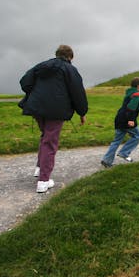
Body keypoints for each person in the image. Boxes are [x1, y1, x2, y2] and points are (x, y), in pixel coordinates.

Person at [20, 45, 88, 194]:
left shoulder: (41, 66)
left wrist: (37, 93)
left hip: (37, 107)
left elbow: (24, 82)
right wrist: (82, 112)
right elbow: (77, 93)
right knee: (50, 142)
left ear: (57, 54)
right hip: (56, 110)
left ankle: (39, 168)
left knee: (45, 137)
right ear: (70, 57)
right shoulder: (70, 69)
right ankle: (43, 181)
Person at [101, 77, 139, 167]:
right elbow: (130, 108)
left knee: (117, 141)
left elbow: (127, 105)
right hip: (127, 120)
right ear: (138, 86)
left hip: (119, 119)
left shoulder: (130, 93)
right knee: (138, 135)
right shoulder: (137, 94)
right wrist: (131, 120)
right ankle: (124, 152)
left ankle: (106, 160)